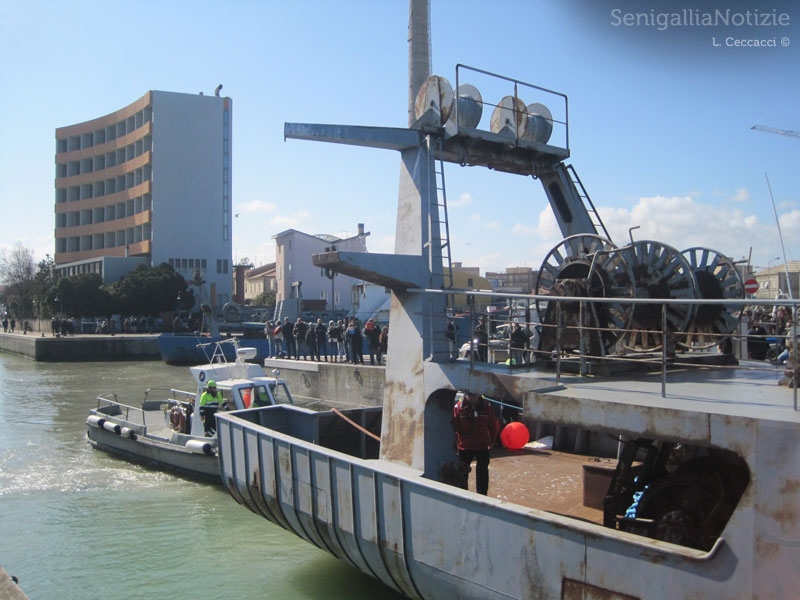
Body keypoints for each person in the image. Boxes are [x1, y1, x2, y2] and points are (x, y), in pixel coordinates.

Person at [452, 392, 500, 496]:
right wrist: (456, 443)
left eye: (474, 395)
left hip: (482, 445)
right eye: (470, 395)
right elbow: (455, 427)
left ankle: (482, 495)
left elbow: (492, 425)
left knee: (482, 471)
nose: (472, 398)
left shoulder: (487, 406)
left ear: (479, 394)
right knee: (462, 472)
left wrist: (492, 441)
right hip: (464, 447)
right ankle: (462, 495)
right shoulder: (458, 408)